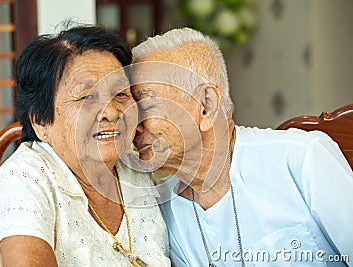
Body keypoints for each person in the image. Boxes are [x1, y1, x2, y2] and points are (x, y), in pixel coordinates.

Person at [130, 27, 353, 266]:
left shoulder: (301, 159)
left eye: (146, 104)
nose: (132, 124)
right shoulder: (162, 209)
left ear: (206, 106)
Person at [0, 24, 170, 266]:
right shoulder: (24, 177)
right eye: (86, 97)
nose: (110, 112)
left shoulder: (134, 167)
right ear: (41, 122)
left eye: (120, 94)